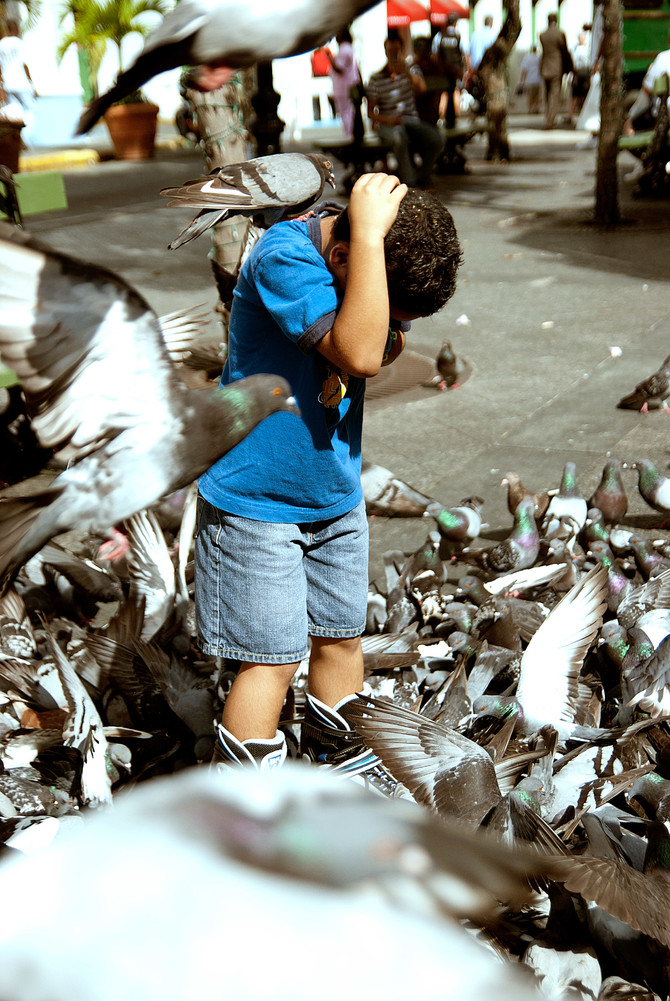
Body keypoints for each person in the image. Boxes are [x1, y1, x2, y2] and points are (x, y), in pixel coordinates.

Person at [195, 172, 462, 773]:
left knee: (342, 639)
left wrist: (374, 287)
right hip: (255, 501)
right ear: (343, 254)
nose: (399, 328)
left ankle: (338, 769)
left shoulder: (359, 259)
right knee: (271, 659)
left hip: (334, 495)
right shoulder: (281, 255)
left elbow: (380, 343)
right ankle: (243, 809)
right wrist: (367, 243)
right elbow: (363, 354)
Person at [366, 35, 444, 187]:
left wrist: (406, 73)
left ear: (402, 50)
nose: (394, 54)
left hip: (411, 121)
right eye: (390, 50)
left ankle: (421, 176)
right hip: (389, 125)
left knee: (437, 140)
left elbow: (422, 88)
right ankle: (411, 183)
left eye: (396, 50)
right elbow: (370, 112)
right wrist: (387, 119)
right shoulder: (376, 78)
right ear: (385, 51)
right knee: (399, 135)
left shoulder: (411, 70)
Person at [623, 28, 670, 136]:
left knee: (644, 94)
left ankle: (629, 122)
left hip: (664, 112)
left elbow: (647, 87)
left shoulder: (663, 57)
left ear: (668, 40)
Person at [0, 18, 37, 130]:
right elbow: (24, 64)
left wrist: (1, 85)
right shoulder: (18, 43)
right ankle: (26, 138)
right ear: (15, 29)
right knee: (30, 111)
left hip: (8, 84)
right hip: (21, 83)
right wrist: (31, 82)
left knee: (14, 112)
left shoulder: (1, 45)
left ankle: (17, 137)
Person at [431, 12, 466, 128]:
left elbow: (434, 54)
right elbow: (465, 54)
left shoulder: (439, 36)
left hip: (443, 71)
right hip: (455, 70)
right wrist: (466, 69)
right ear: (455, 23)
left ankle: (441, 116)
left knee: (443, 93)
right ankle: (454, 118)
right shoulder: (459, 36)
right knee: (455, 92)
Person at [327, 27, 361, 139]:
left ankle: (349, 135)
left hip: (343, 87)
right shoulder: (349, 48)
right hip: (348, 86)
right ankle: (350, 134)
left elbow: (340, 69)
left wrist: (329, 58)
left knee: (345, 112)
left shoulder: (344, 49)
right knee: (348, 111)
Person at [539, 13, 570, 129]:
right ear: (556, 21)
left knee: (547, 93)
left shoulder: (542, 35)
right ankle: (550, 120)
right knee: (555, 94)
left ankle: (548, 116)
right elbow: (564, 51)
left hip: (545, 67)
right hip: (556, 67)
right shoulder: (560, 34)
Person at [570, 31, 591, 120]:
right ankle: (570, 114)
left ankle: (583, 113)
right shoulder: (575, 48)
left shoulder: (588, 48)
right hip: (578, 72)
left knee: (584, 94)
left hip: (585, 72)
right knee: (575, 95)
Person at [518, 46, 542, 114]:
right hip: (537, 79)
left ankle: (530, 109)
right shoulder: (538, 57)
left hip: (529, 79)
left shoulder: (527, 58)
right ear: (536, 50)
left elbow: (524, 70)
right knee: (537, 94)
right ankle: (537, 108)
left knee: (530, 95)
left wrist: (521, 80)